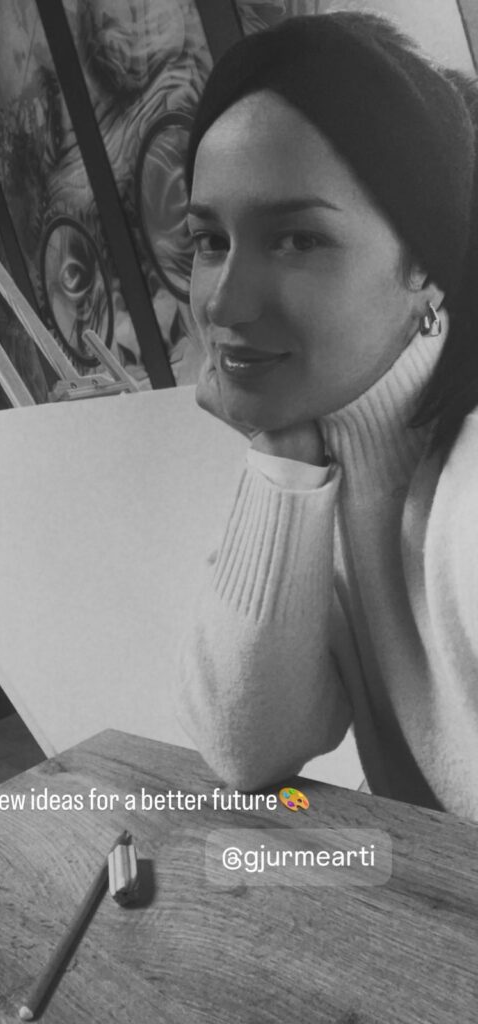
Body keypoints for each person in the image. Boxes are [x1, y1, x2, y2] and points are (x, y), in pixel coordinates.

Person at [175, 11, 478, 820]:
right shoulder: (327, 447)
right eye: (209, 241)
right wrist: (279, 453)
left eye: (297, 240)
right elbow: (248, 747)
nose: (224, 304)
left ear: (426, 261)